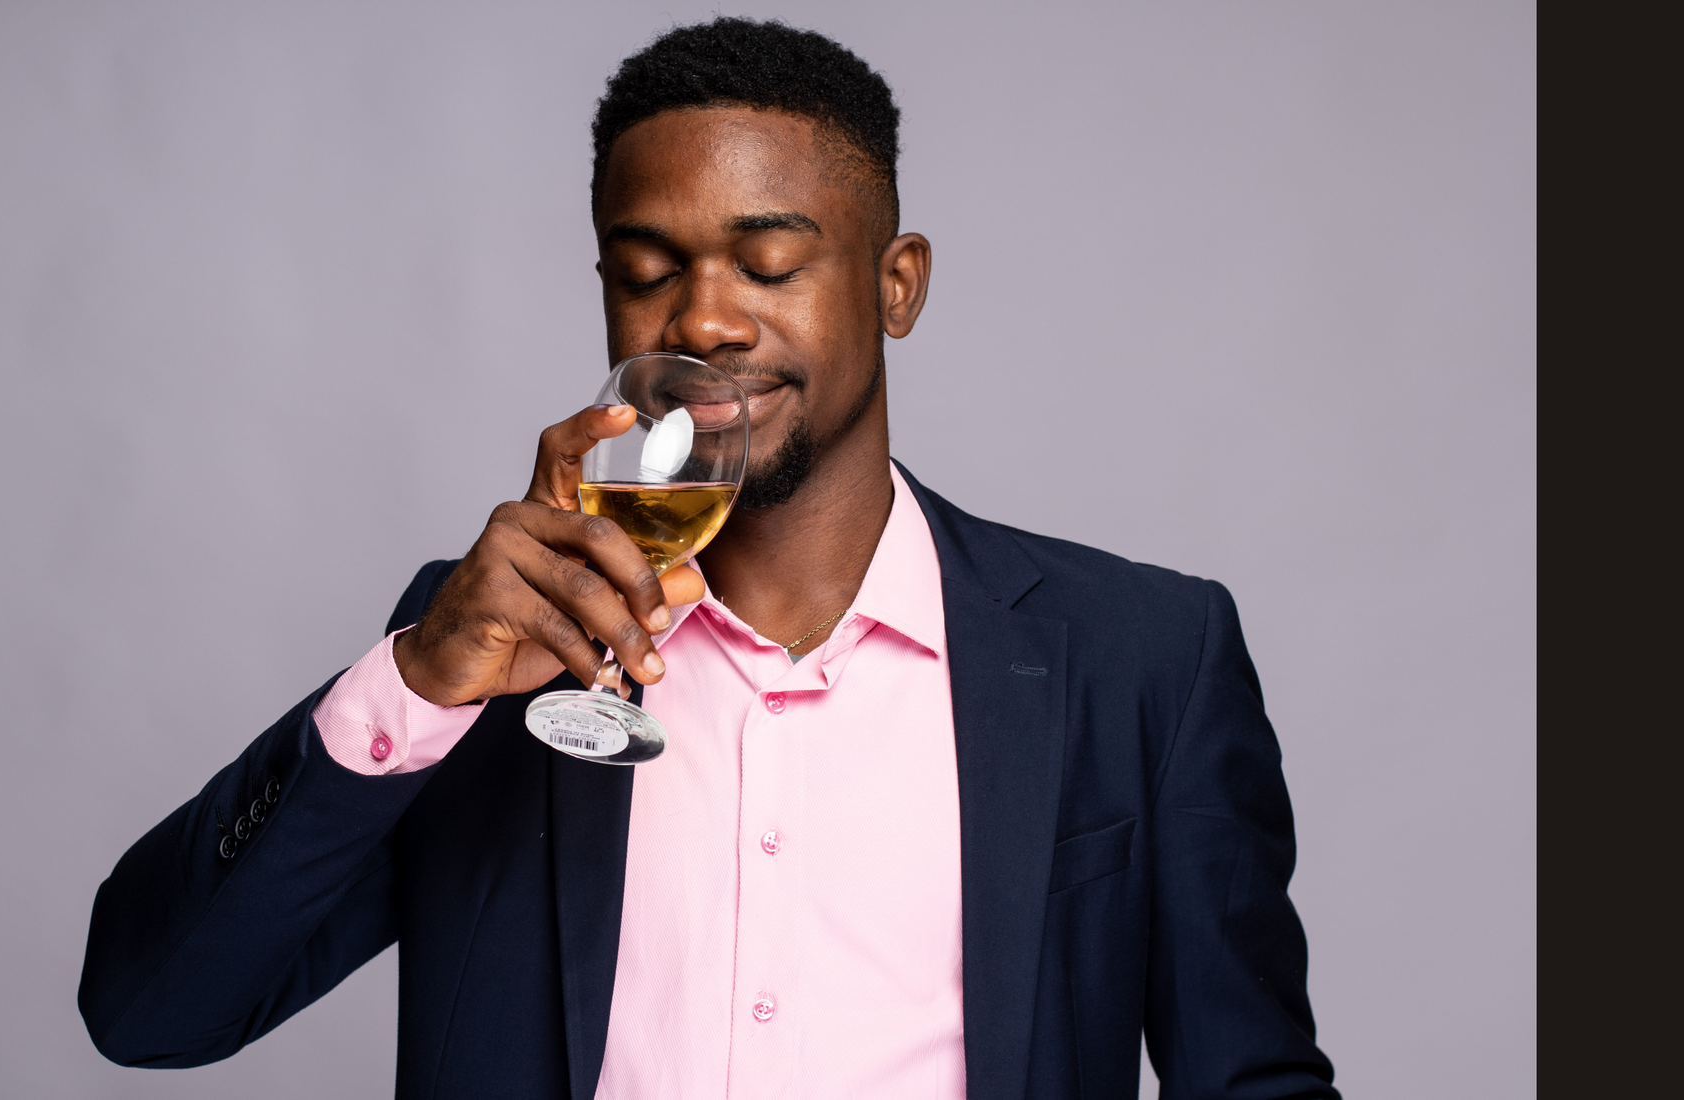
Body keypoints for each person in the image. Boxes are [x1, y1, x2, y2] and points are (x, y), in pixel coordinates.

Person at [78, 17, 1339, 1100]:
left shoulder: (1142, 659)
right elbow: (149, 1011)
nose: (704, 318)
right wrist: (412, 687)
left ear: (896, 284)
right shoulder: (487, 652)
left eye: (769, 261)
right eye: (647, 272)